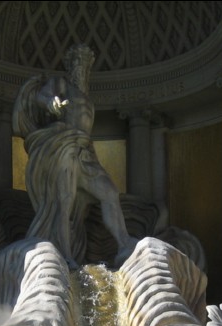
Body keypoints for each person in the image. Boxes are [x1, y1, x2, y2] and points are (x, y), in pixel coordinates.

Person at [12, 44, 137, 269]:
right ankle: (65, 255)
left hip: (85, 151)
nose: (81, 70)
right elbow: (43, 95)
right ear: (70, 68)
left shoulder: (87, 98)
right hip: (64, 145)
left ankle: (124, 244)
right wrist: (50, 102)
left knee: (109, 192)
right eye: (77, 65)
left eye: (85, 66)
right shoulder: (62, 84)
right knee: (64, 202)